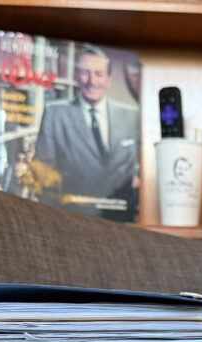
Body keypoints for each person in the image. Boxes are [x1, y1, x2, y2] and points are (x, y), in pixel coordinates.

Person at [34, 45, 140, 222]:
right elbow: (43, 171)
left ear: (108, 79)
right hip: (70, 218)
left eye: (99, 74)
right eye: (85, 73)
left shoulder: (131, 116)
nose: (92, 81)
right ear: (76, 76)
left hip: (122, 220)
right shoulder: (55, 114)